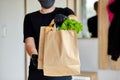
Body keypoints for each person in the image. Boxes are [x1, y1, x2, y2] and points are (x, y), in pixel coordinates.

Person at [23, 0, 79, 80]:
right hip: (38, 70)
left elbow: (75, 23)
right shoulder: (30, 17)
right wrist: (34, 55)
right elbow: (29, 42)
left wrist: (67, 19)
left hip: (61, 69)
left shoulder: (65, 11)